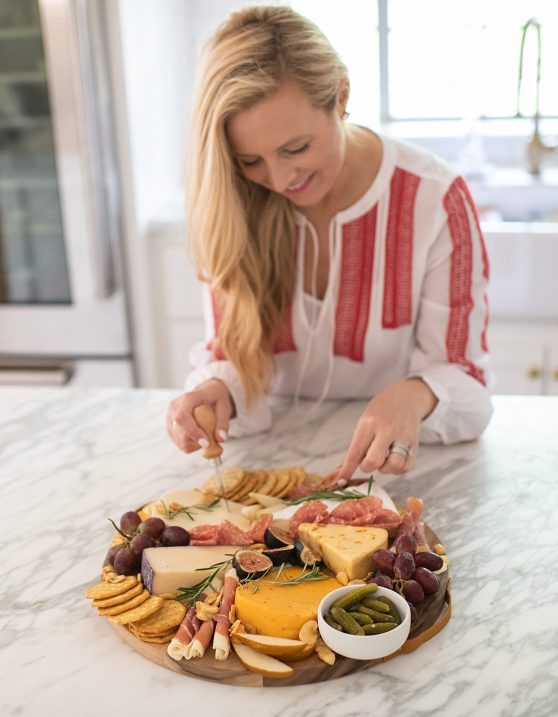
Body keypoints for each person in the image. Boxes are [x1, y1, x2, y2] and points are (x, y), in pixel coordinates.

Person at [167, 5, 493, 481]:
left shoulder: (436, 199)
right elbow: (233, 358)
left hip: (398, 473)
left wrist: (415, 394)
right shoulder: (233, 202)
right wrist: (219, 390)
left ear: (341, 96)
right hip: (273, 468)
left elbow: (467, 383)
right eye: (250, 160)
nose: (278, 180)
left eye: (296, 148)